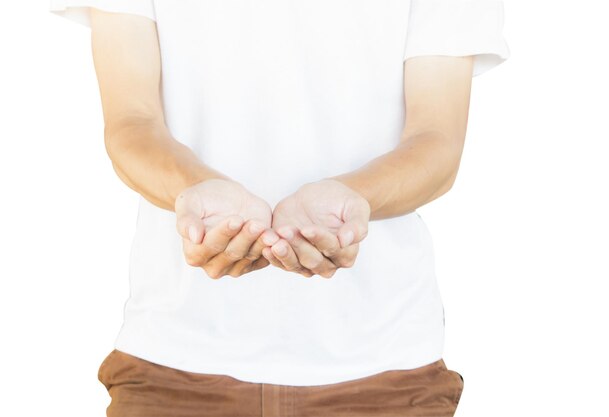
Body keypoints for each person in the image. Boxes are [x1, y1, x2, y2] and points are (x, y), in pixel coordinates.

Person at [49, 1, 510, 416]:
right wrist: (196, 187)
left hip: (383, 369)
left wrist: (356, 197)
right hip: (174, 363)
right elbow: (132, 123)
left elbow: (436, 143)